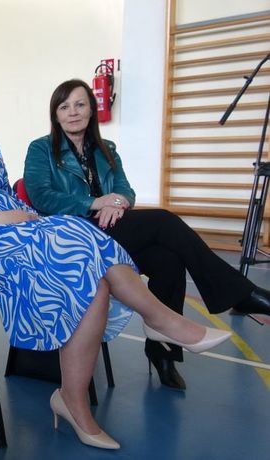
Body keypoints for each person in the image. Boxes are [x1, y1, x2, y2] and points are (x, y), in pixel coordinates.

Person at [0, 60, 232, 450]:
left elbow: (8, 198)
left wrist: (23, 215)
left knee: (85, 260)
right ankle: (159, 320)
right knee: (74, 236)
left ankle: (73, 399)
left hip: (10, 231)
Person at [22, 78, 270, 390]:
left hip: (109, 229)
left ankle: (162, 352)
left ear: (91, 110)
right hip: (72, 235)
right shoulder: (41, 149)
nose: (73, 112)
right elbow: (41, 197)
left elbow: (125, 190)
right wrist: (95, 203)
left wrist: (118, 202)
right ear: (55, 114)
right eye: (64, 106)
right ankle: (240, 294)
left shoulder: (106, 149)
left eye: (80, 104)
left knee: (168, 260)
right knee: (164, 220)